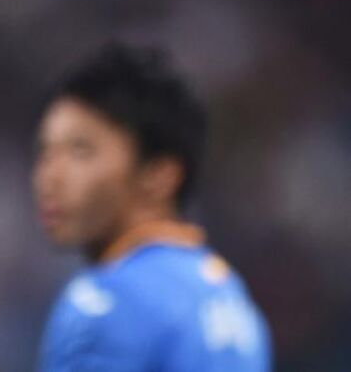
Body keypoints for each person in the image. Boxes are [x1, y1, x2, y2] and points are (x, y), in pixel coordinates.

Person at [32, 43, 271, 371]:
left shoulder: (103, 302)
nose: (49, 177)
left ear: (159, 175)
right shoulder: (229, 296)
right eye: (45, 153)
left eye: (81, 151)